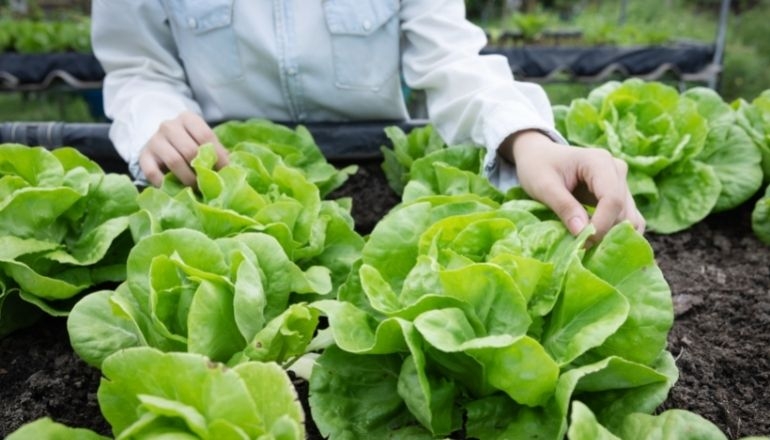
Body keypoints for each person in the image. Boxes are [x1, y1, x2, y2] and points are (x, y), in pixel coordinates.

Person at [91, 0, 644, 242]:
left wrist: (526, 139)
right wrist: (155, 120)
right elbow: (137, 66)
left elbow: (450, 61)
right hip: (224, 189)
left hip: (379, 192)